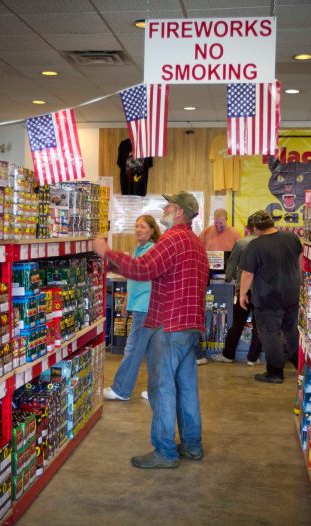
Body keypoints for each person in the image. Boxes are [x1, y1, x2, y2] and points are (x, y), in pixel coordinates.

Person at [94, 191, 209, 469]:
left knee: (161, 388)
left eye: (169, 205)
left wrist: (106, 253)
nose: (165, 208)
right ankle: (192, 445)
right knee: (186, 388)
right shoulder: (195, 242)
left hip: (169, 324)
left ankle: (165, 451)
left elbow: (143, 269)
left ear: (179, 212)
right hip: (190, 324)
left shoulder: (172, 239)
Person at [238, 210, 303, 384]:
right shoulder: (291, 238)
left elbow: (248, 274)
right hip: (293, 294)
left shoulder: (255, 246)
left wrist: (242, 294)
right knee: (293, 332)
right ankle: (302, 367)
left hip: (268, 297)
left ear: (256, 228)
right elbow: (301, 262)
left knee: (270, 334)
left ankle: (275, 372)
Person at [103, 215, 161, 401]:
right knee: (153, 351)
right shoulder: (138, 248)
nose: (138, 230)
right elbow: (134, 275)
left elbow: (146, 276)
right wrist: (128, 298)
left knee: (133, 348)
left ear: (152, 230)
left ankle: (121, 389)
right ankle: (156, 391)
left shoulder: (152, 250)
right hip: (140, 304)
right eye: (136, 226)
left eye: (143, 226)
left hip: (146, 306)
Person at [210, 213, 262, 365]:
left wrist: (228, 278)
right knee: (259, 327)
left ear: (248, 228)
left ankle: (228, 354)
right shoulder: (266, 244)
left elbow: (231, 266)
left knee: (237, 323)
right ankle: (253, 358)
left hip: (243, 289)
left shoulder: (241, 243)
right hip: (261, 291)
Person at [194, 208, 241, 365]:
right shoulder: (207, 231)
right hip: (208, 274)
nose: (218, 226)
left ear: (226, 220)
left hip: (227, 276)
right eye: (216, 222)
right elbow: (197, 246)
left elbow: (240, 254)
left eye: (221, 223)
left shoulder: (234, 233)